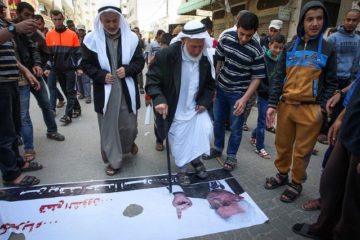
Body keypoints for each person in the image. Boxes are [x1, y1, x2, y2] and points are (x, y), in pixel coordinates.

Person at [264, 1, 337, 203]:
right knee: (282, 145)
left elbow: (331, 82)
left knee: (302, 152)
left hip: (310, 110)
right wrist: (271, 105)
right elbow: (278, 77)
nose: (314, 23)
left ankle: (296, 183)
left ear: (324, 21)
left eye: (319, 19)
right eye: (310, 19)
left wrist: (322, 109)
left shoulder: (328, 49)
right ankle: (281, 174)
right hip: (286, 106)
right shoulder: (289, 47)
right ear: (302, 21)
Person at [146, 20, 215, 185]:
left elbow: (210, 84)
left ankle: (196, 160)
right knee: (180, 140)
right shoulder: (166, 55)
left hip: (195, 107)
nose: (197, 50)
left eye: (200, 46)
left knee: (204, 132)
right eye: (193, 47)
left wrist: (205, 101)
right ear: (184, 41)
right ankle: (182, 169)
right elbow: (151, 81)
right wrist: (160, 100)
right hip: (174, 107)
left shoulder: (206, 56)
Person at [292, 74, 360, 240]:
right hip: (350, 126)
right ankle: (323, 228)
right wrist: (341, 117)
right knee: (331, 182)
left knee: (353, 200)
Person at [81, 3, 144, 176]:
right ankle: (114, 161)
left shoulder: (131, 38)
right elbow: (85, 64)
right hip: (105, 91)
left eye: (114, 21)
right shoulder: (90, 40)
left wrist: (128, 70)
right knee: (109, 128)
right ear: (100, 20)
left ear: (120, 20)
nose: (111, 25)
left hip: (126, 90)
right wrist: (100, 76)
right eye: (107, 21)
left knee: (129, 126)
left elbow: (140, 62)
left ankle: (128, 144)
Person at [204, 12, 266, 172]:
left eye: (249, 35)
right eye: (241, 33)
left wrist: (245, 99)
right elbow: (219, 63)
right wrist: (215, 87)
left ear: (255, 32)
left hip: (239, 94)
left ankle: (231, 156)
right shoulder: (226, 38)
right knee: (217, 121)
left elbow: (257, 78)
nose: (244, 38)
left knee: (235, 126)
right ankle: (217, 148)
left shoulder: (257, 50)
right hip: (222, 88)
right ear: (237, 27)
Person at [13, 2, 65, 162]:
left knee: (45, 104)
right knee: (23, 114)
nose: (30, 19)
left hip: (34, 75)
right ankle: (28, 148)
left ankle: (52, 130)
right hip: (18, 78)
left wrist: (37, 65)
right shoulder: (11, 30)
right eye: (26, 15)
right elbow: (10, 57)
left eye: (32, 15)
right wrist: (25, 71)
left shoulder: (33, 33)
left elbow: (37, 51)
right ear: (18, 14)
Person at [0, 13, 43, 187]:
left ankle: (18, 163)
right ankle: (11, 175)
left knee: (13, 128)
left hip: (11, 80)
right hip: (1, 82)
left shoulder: (3, 21)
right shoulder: (10, 25)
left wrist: (25, 70)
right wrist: (15, 28)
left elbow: (8, 51)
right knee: (3, 132)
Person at [317, 9, 360, 144]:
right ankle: (318, 131)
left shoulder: (358, 40)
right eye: (348, 19)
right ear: (344, 20)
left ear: (358, 22)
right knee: (326, 105)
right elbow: (324, 59)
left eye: (354, 20)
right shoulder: (333, 38)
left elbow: (356, 60)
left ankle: (327, 132)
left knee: (340, 108)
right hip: (332, 79)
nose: (350, 23)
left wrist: (352, 79)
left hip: (347, 81)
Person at [250, 34, 286, 159]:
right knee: (262, 121)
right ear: (270, 45)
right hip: (264, 95)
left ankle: (254, 135)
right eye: (275, 47)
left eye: (281, 48)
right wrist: (263, 90)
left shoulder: (283, 60)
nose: (278, 50)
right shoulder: (263, 59)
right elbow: (258, 78)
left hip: (276, 97)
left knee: (267, 123)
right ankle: (260, 148)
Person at [45, 10, 82, 126]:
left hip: (70, 68)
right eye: (55, 19)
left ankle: (68, 115)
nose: (57, 22)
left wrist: (79, 67)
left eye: (59, 19)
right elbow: (49, 54)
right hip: (57, 69)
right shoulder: (49, 35)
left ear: (63, 18)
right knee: (66, 91)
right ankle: (77, 108)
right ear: (52, 20)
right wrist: (48, 67)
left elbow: (78, 53)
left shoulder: (72, 34)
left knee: (70, 91)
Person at [34, 14, 65, 109]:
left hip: (51, 64)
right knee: (50, 85)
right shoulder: (32, 36)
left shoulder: (50, 34)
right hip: (40, 66)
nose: (37, 26)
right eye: (35, 24)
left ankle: (52, 109)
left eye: (39, 24)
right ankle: (61, 98)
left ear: (43, 23)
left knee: (51, 87)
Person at [76, 24, 92, 104]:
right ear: (77, 31)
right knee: (78, 80)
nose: (81, 32)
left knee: (86, 80)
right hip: (76, 62)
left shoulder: (87, 39)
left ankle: (88, 95)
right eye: (79, 30)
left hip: (85, 61)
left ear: (84, 31)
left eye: (82, 30)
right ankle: (81, 93)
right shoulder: (75, 39)